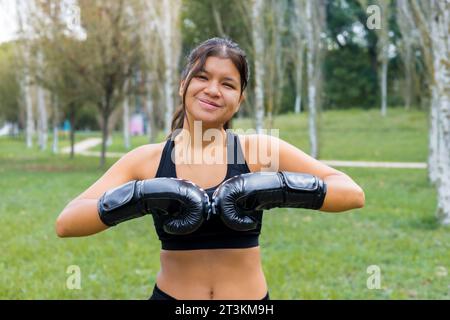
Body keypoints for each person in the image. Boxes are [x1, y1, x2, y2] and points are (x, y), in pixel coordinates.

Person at [55, 37, 365, 300]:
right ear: (183, 86)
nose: (213, 90)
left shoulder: (259, 151)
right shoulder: (147, 160)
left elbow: (352, 194)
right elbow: (67, 222)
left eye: (227, 83)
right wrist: (141, 195)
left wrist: (280, 189)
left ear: (239, 99)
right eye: (202, 77)